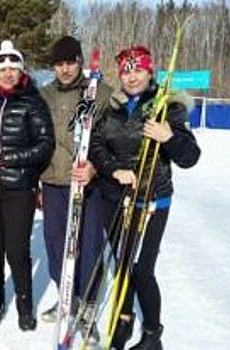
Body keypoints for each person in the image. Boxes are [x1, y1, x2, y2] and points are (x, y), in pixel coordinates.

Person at [89, 45, 201, 349]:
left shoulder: (166, 106)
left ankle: (153, 333)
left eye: (138, 70)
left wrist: (170, 137)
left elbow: (190, 156)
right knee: (123, 264)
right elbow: (96, 147)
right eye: (126, 71)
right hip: (115, 198)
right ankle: (123, 319)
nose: (132, 76)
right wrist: (114, 171)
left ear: (149, 72)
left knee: (142, 268)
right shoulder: (111, 107)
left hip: (152, 201)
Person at [38, 35, 112, 339]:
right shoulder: (44, 95)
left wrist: (95, 166)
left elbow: (110, 138)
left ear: (80, 62)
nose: (65, 69)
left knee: (89, 245)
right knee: (56, 245)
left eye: (70, 62)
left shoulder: (100, 93)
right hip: (53, 181)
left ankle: (88, 307)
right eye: (60, 63)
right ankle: (67, 297)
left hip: (86, 183)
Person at [0, 40, 54, 331]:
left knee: (16, 250)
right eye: (3, 69)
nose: (8, 74)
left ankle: (24, 304)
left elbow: (44, 145)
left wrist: (6, 158)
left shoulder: (32, 100)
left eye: (13, 68)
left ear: (21, 70)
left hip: (19, 187)